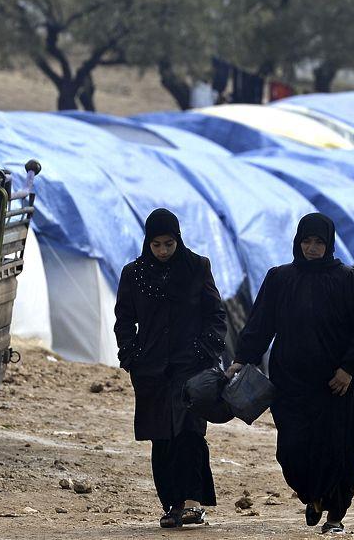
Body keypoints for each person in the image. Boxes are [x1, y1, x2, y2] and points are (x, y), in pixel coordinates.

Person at [228, 213, 354, 536]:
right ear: (297, 242)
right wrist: (242, 359)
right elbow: (261, 322)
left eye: (319, 242)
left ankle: (335, 514)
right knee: (291, 448)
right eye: (306, 241)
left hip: (337, 384)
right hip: (291, 380)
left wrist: (349, 368)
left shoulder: (348, 279)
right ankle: (313, 496)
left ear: (329, 244)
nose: (312, 248)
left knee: (339, 448)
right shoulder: (280, 278)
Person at [114, 208, 227, 529]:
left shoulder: (196, 267)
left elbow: (215, 315)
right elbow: (124, 319)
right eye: (156, 245)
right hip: (150, 369)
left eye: (168, 244)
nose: (163, 251)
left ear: (178, 240)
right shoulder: (133, 274)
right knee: (161, 437)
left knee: (190, 433)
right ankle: (173, 505)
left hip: (190, 366)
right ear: (147, 243)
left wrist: (204, 350)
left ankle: (193, 502)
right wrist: (131, 354)